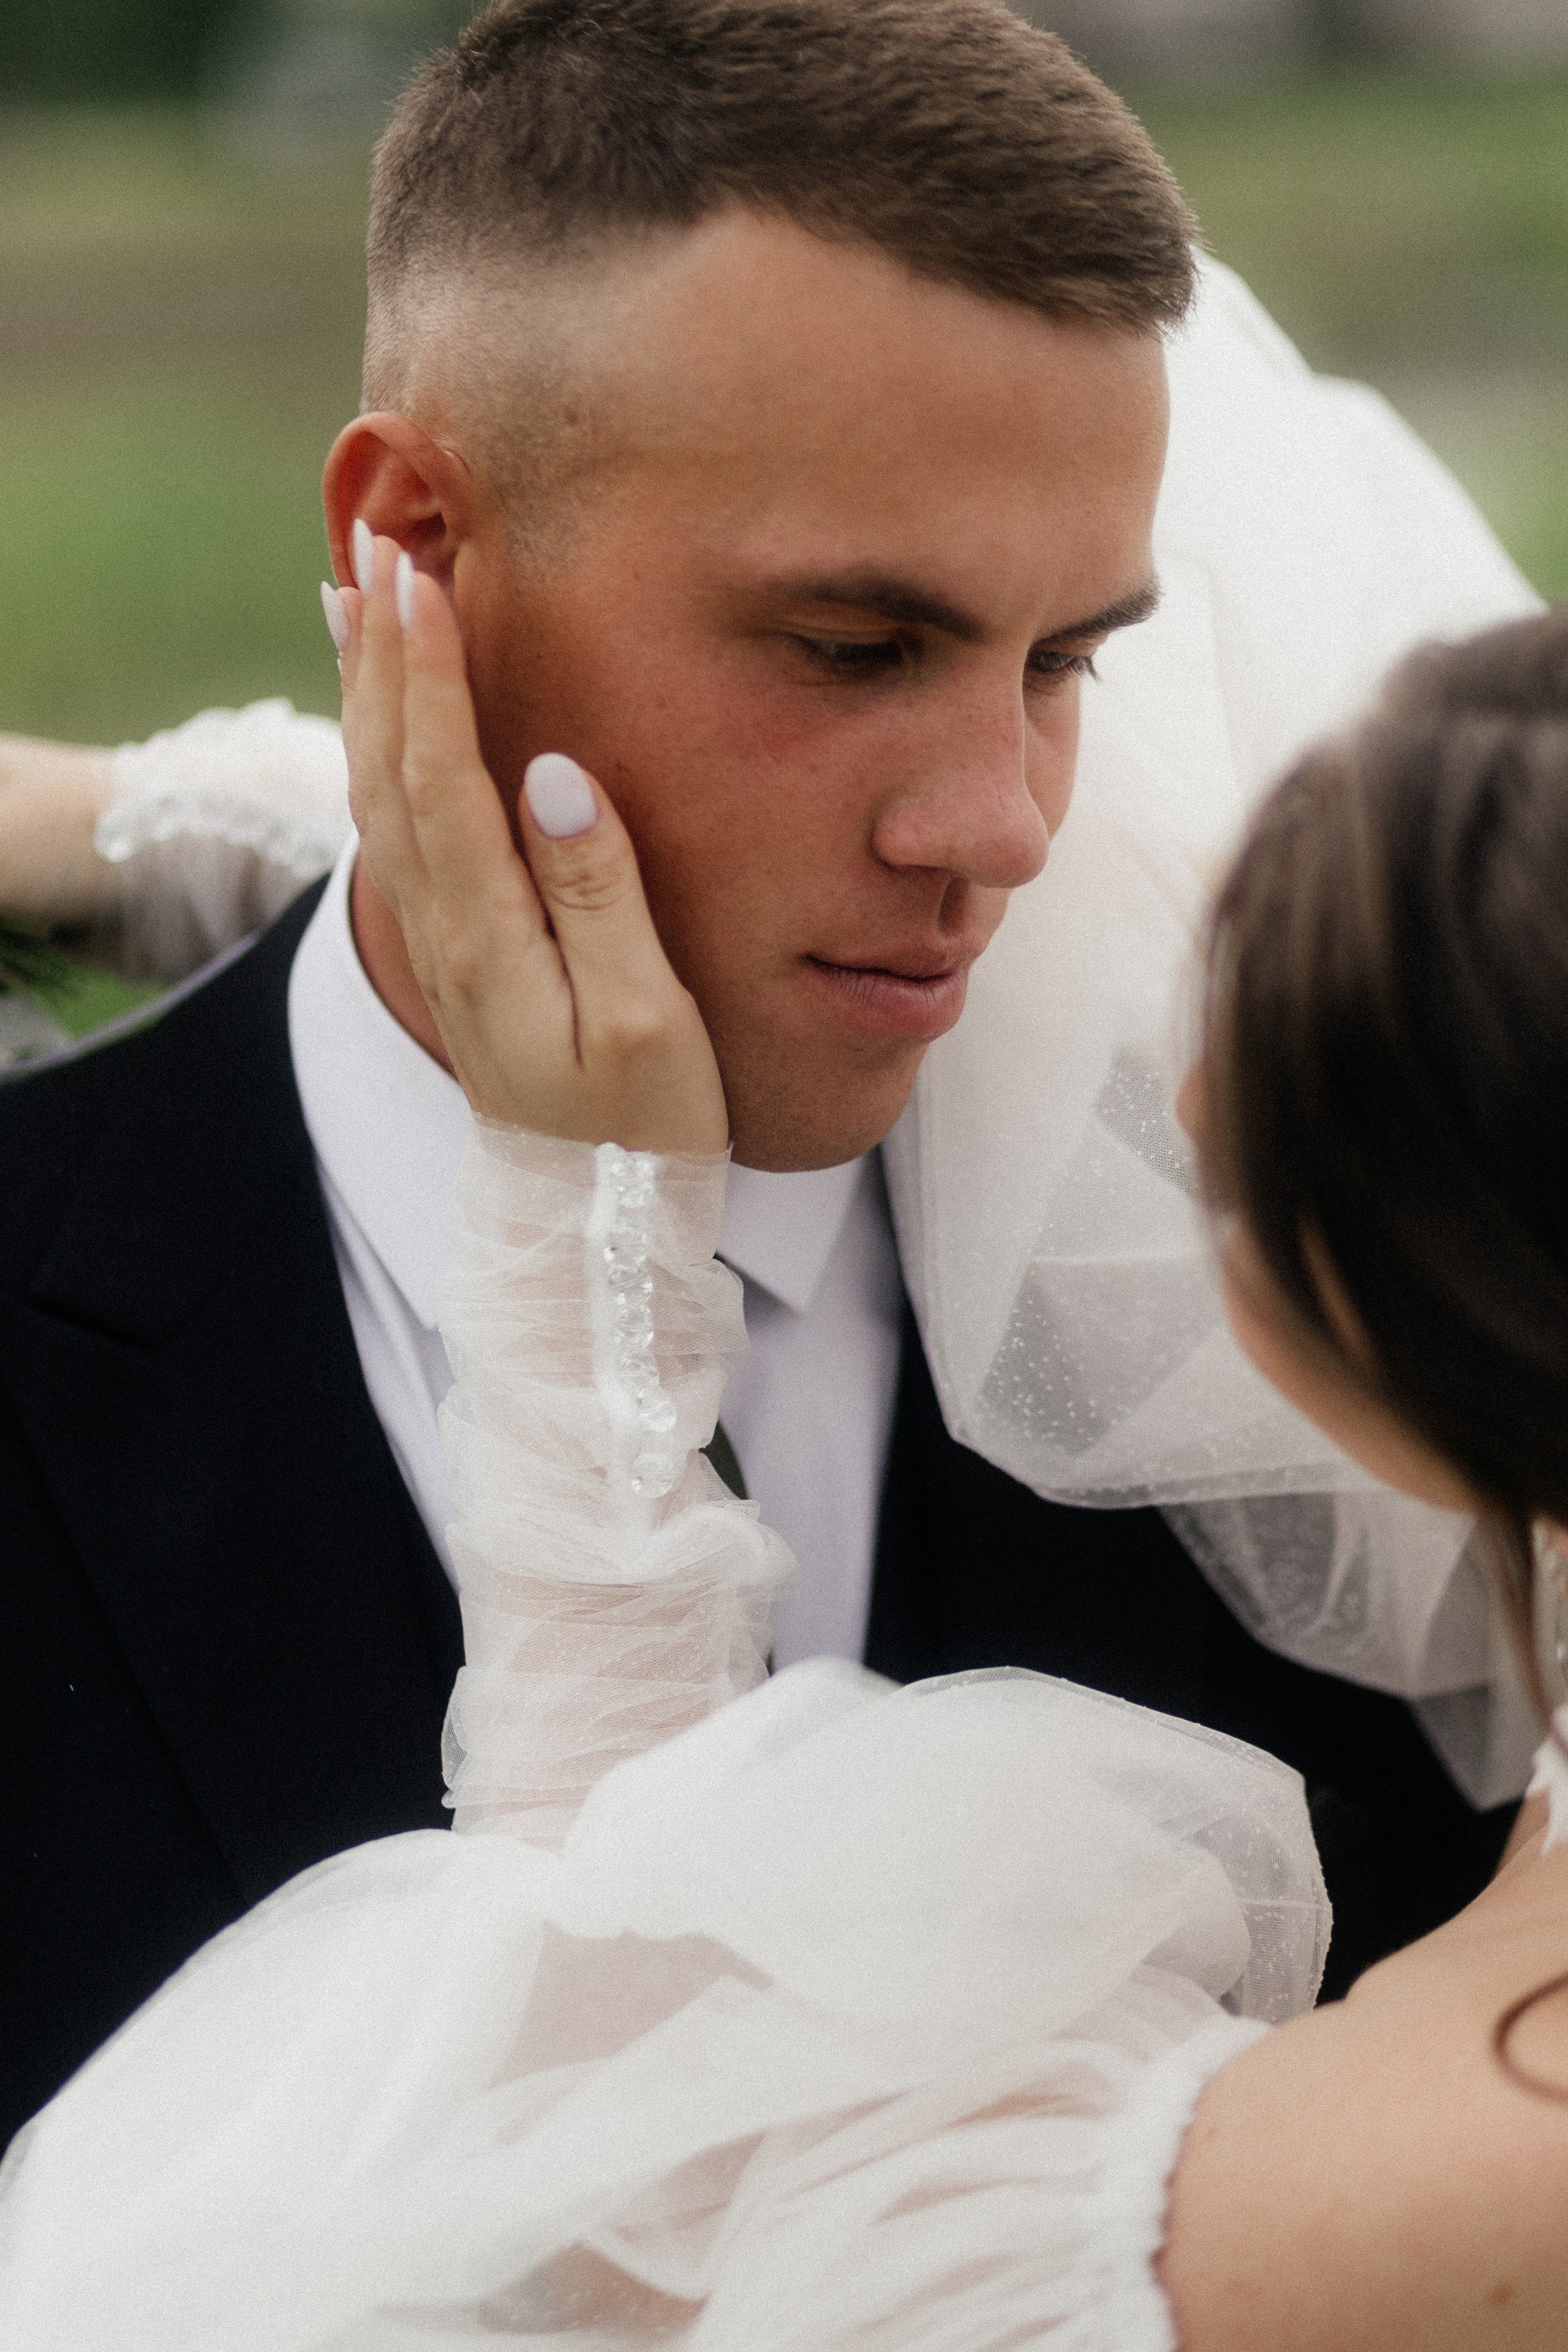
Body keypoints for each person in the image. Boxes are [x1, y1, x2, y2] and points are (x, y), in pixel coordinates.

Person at [0, 0, 1539, 2147]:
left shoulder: (1312, 1343)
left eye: (1067, 660)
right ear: (410, 546)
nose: (1003, 824)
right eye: (854, 651)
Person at [6, 566, 1568, 2350]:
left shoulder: (1451, 2178)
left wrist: (591, 1295)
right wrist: (269, 836)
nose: (1174, 1092)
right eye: (849, 653)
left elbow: (643, 2223)